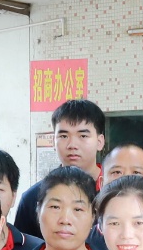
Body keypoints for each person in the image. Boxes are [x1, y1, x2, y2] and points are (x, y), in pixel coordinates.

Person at [13, 99, 107, 238]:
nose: (72, 145)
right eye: (63, 136)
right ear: (53, 141)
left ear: (99, 142)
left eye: (83, 136)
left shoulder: (116, 193)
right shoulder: (33, 197)